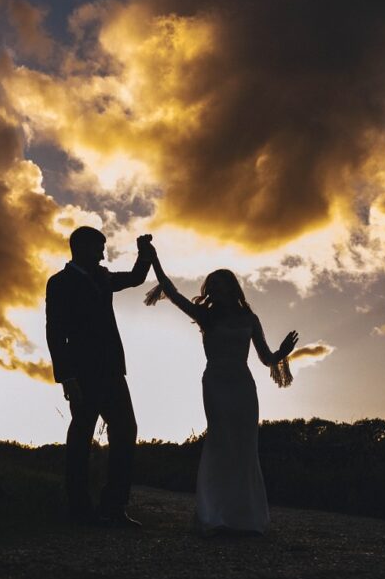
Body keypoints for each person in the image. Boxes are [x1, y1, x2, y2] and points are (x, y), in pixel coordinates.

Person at [145, 254, 298, 535]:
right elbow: (173, 292)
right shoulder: (205, 315)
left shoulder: (249, 318)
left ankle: (245, 518)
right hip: (215, 383)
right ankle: (214, 515)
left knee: (244, 447)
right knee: (220, 443)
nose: (213, 290)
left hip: (243, 386)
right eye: (210, 286)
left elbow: (266, 358)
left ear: (231, 287)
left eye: (218, 285)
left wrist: (282, 353)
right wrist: (153, 259)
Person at [45, 226, 156, 527]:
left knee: (126, 429)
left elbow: (134, 278)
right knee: (81, 437)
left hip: (112, 372)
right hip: (82, 374)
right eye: (99, 247)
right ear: (80, 247)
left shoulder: (103, 278)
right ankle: (79, 509)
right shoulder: (60, 283)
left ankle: (114, 506)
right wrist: (67, 378)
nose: (103, 253)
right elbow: (55, 334)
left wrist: (145, 254)